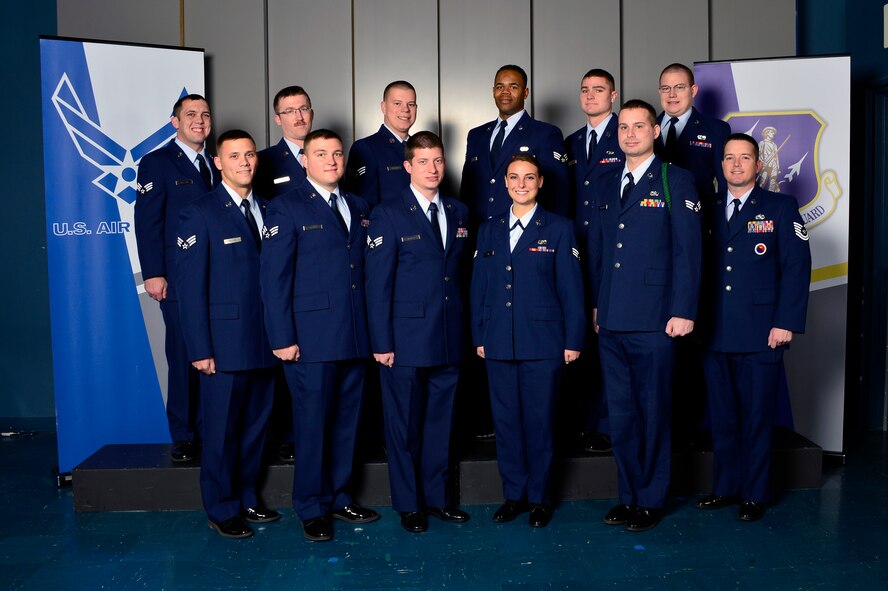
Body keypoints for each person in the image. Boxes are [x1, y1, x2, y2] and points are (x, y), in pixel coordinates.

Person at [259, 129, 379, 542]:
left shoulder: (359, 206)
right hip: (308, 339)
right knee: (312, 425)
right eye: (321, 154)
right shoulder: (285, 207)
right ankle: (310, 505)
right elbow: (274, 280)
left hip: (355, 335)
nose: (331, 160)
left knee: (348, 423)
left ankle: (340, 495)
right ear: (305, 161)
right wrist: (282, 336)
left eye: (337, 153)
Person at [588, 99, 702, 532]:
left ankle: (651, 499)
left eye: (639, 126)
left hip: (657, 319)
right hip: (612, 318)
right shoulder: (604, 182)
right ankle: (629, 494)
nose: (630, 134)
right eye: (624, 127)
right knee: (621, 414)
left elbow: (689, 252)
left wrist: (683, 310)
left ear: (656, 132)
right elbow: (599, 251)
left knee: (653, 411)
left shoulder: (676, 179)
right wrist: (598, 305)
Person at [696, 133, 811, 522]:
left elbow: (797, 267)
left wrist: (785, 322)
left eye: (745, 158)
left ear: (758, 166)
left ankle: (755, 493)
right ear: (721, 164)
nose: (736, 164)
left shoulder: (780, 206)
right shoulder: (707, 209)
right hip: (715, 331)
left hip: (763, 331)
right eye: (729, 158)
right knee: (722, 416)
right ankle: (726, 487)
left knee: (757, 417)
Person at [174, 129, 280, 539]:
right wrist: (199, 349)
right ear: (218, 163)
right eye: (234, 156)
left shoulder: (270, 210)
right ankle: (221, 508)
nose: (245, 162)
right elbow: (190, 288)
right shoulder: (198, 213)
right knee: (220, 433)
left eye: (250, 155)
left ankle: (248, 497)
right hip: (221, 346)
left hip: (266, 342)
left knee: (256, 429)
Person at [470, 154, 585, 528]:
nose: (521, 184)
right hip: (499, 340)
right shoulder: (488, 229)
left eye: (529, 178)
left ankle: (540, 498)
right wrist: (480, 334)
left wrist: (573, 339)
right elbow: (479, 288)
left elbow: (572, 289)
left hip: (544, 342)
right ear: (505, 183)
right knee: (506, 424)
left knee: (540, 422)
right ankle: (514, 494)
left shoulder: (559, 228)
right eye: (514, 178)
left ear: (540, 183)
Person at [365, 131, 471, 533]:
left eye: (438, 161)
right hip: (403, 342)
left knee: (441, 425)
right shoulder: (387, 213)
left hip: (448, 337)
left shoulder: (459, 211)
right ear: (407, 166)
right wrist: (382, 342)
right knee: (404, 428)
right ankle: (410, 505)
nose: (432, 169)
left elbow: (461, 276)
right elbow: (378, 285)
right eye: (423, 162)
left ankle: (439, 498)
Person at [135, 93, 218, 462]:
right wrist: (153, 272)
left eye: (204, 114)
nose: (198, 121)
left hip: (220, 276)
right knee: (184, 352)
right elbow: (148, 221)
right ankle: (184, 433)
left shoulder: (217, 164)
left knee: (216, 352)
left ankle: (209, 428)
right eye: (190, 115)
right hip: (178, 276)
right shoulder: (156, 163)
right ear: (175, 122)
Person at [564, 68, 624, 454]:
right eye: (585, 90)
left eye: (598, 90)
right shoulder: (570, 143)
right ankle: (583, 420)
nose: (590, 96)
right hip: (575, 250)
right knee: (577, 334)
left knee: (607, 338)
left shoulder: (627, 136)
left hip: (612, 251)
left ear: (613, 95)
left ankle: (606, 422)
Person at [460, 64, 570, 224]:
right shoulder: (476, 135)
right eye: (500, 86)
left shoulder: (545, 134)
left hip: (525, 233)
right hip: (480, 233)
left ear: (525, 92)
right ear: (493, 91)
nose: (505, 92)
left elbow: (558, 193)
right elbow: (467, 190)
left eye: (513, 86)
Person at [655, 63, 730, 207]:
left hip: (699, 219)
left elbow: (724, 184)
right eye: (666, 88)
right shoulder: (645, 128)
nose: (672, 94)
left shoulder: (716, 130)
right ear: (660, 92)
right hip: (654, 220)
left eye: (679, 87)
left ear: (693, 90)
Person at [345, 80, 417, 205]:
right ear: (383, 107)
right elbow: (363, 206)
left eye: (411, 104)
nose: (405, 109)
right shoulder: (366, 148)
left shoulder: (422, 148)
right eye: (397, 103)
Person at [254, 86, 314, 199]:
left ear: (312, 114)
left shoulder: (330, 157)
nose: (299, 117)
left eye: (304, 109)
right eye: (290, 111)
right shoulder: (262, 161)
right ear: (278, 119)